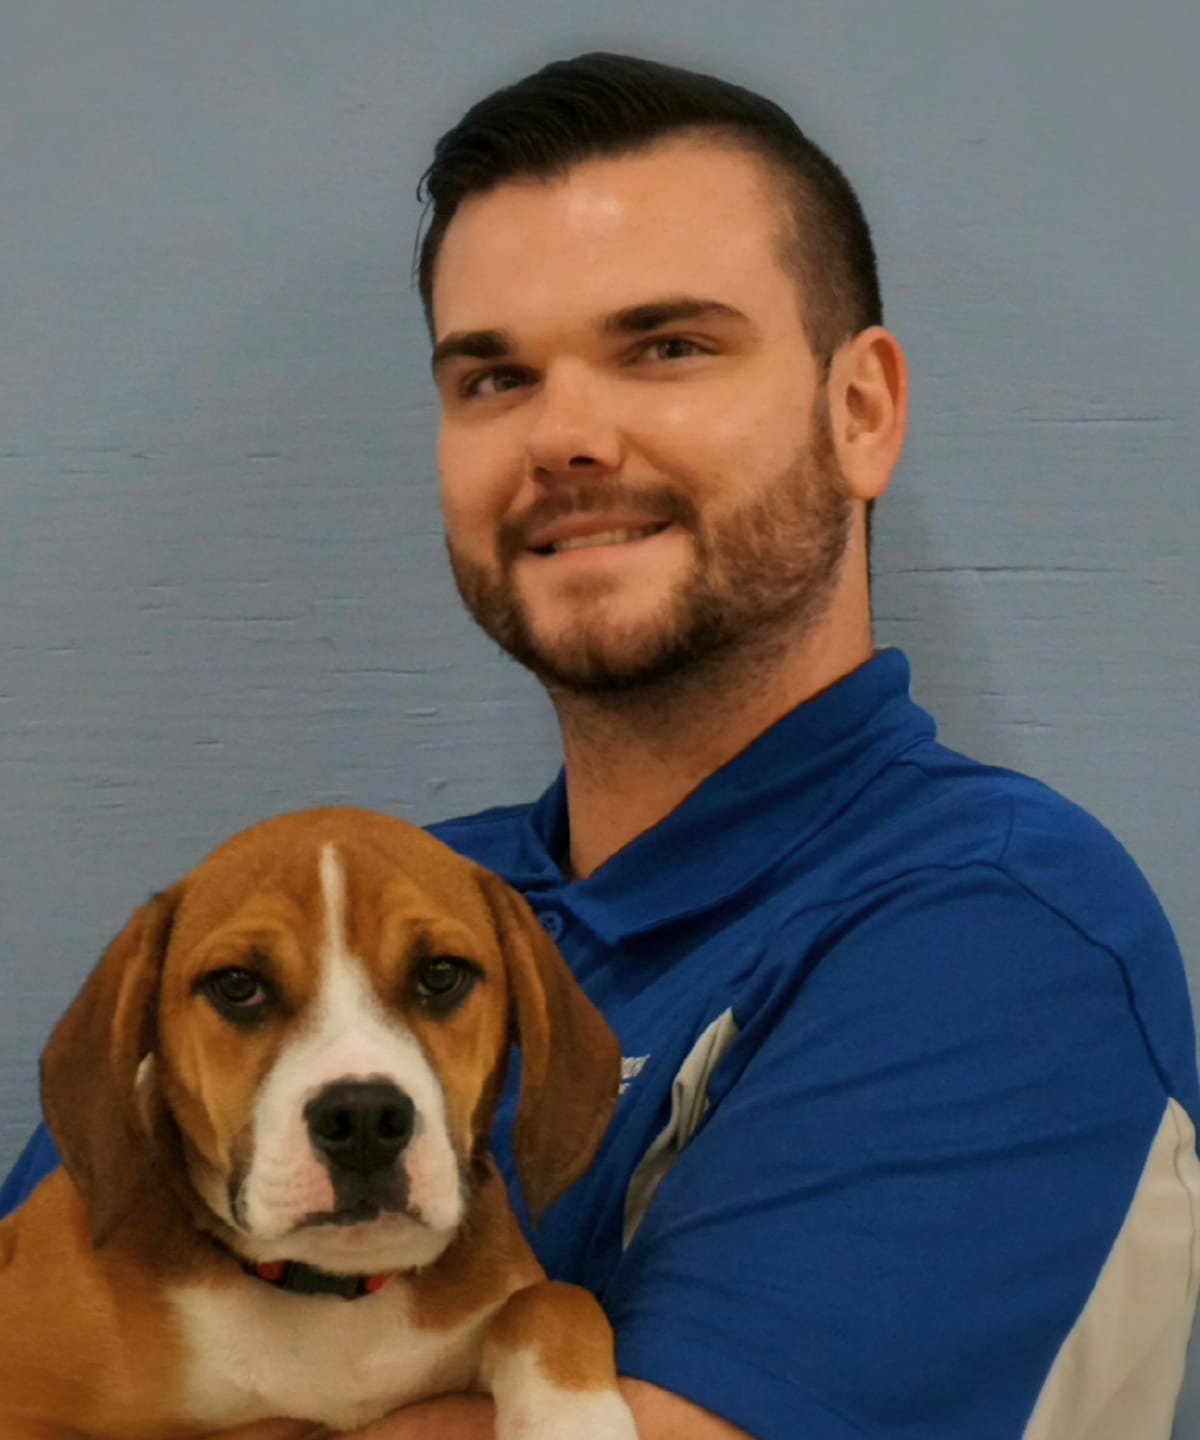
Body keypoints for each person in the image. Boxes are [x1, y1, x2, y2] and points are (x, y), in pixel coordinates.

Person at [3, 52, 1198, 1440]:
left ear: (860, 411)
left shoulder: (999, 930)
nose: (566, 435)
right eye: (495, 377)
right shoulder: (395, 891)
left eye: (668, 346)